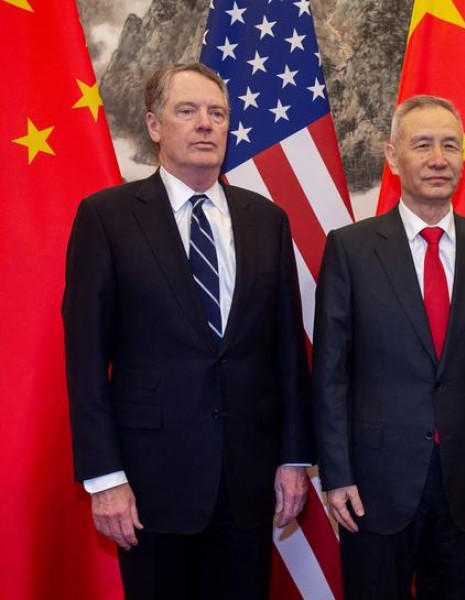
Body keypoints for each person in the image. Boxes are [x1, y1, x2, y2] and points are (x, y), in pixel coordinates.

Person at [63, 63, 313, 600]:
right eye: (187, 111)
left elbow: (288, 352)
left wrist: (294, 459)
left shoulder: (267, 219)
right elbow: (85, 361)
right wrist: (105, 479)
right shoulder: (106, 218)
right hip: (151, 486)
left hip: (247, 484)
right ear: (154, 125)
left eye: (217, 113)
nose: (205, 124)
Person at [312, 95, 465, 599]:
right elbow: (330, 372)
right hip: (372, 485)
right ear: (392, 156)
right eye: (423, 144)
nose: (438, 158)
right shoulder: (350, 248)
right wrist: (336, 474)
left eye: (450, 145)